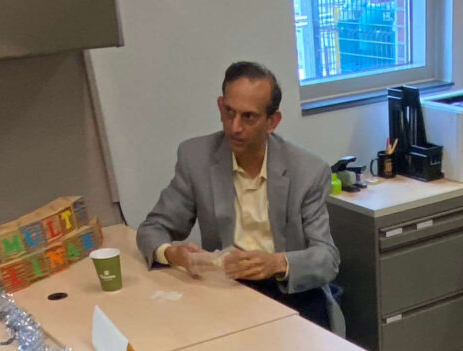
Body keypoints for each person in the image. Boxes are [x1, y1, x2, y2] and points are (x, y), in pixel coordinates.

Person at [136, 61, 339, 328]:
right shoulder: (195, 157)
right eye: (228, 112)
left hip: (290, 293)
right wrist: (173, 254)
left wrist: (277, 263)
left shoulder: (308, 171)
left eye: (248, 117)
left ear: (272, 121)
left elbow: (327, 259)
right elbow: (152, 228)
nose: (234, 127)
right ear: (220, 106)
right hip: (226, 290)